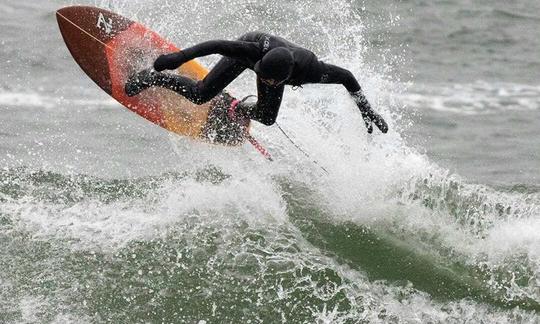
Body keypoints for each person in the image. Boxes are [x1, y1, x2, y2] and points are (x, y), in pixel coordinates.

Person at [125, 31, 388, 134]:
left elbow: (347, 78)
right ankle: (152, 79)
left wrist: (365, 109)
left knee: (267, 117)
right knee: (200, 94)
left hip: (277, 69)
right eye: (260, 74)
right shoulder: (252, 52)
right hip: (254, 51)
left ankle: (234, 108)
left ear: (285, 78)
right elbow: (215, 46)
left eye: (266, 79)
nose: (260, 79)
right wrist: (178, 58)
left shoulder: (311, 70)